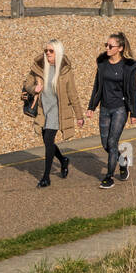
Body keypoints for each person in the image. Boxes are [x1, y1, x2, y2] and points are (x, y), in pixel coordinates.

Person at [22, 39, 86, 188]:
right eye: (46, 51)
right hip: (43, 109)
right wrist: (34, 89)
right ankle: (63, 160)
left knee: (49, 140)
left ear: (58, 52)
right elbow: (27, 84)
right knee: (47, 141)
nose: (47, 53)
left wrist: (79, 115)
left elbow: (73, 93)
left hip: (57, 110)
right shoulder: (39, 67)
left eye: (51, 51)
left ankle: (46, 177)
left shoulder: (65, 71)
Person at [88, 31, 136, 188]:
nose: (107, 48)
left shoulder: (127, 68)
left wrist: (134, 112)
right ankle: (122, 161)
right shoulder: (103, 65)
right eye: (106, 45)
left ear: (120, 48)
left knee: (112, 141)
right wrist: (91, 107)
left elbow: (132, 91)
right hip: (105, 108)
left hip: (120, 109)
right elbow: (97, 87)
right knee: (105, 144)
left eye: (111, 46)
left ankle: (108, 177)